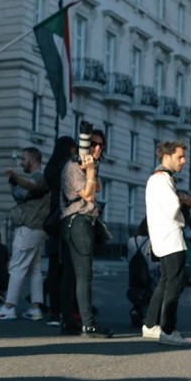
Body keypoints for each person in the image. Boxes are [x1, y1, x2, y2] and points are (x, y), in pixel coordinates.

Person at [59, 128, 113, 338]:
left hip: (74, 222)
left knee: (72, 275)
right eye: (93, 144)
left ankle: (69, 321)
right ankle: (88, 324)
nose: (98, 148)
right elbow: (89, 195)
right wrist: (90, 170)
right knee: (84, 274)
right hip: (78, 221)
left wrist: (91, 169)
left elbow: (96, 187)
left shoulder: (83, 166)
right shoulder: (74, 166)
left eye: (101, 145)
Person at [0, 147, 49, 321]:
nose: (22, 162)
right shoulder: (37, 179)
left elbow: (32, 186)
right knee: (34, 269)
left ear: (33, 160)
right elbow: (23, 196)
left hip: (28, 227)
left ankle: (8, 307)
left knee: (16, 267)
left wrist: (15, 176)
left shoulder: (38, 177)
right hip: (37, 228)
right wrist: (13, 183)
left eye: (23, 159)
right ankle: (35, 308)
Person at [143, 141, 191, 346]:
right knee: (175, 284)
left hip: (163, 238)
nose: (184, 161)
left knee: (165, 282)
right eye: (179, 157)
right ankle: (168, 330)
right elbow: (173, 208)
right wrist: (184, 200)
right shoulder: (161, 180)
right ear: (167, 157)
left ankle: (151, 325)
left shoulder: (159, 179)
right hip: (171, 238)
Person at [42, 136, 77, 325]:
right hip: (67, 218)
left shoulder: (51, 168)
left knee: (54, 268)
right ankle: (67, 310)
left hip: (54, 221)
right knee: (68, 270)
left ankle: (54, 310)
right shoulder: (69, 165)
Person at [127, 217, 158, 328]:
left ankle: (136, 310)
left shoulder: (131, 240)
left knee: (138, 293)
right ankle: (146, 317)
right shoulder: (153, 240)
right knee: (151, 294)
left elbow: (129, 258)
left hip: (135, 272)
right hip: (151, 271)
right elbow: (156, 260)